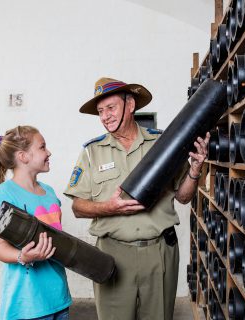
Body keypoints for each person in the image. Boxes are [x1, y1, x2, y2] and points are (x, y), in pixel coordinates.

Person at [64, 77, 209, 320]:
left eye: (111, 108)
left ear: (130, 105)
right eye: (100, 111)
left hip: (159, 252)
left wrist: (195, 170)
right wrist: (109, 208)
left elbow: (184, 198)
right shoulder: (91, 152)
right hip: (113, 254)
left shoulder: (163, 143)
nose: (105, 116)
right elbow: (77, 207)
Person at [0, 125, 72, 320]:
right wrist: (23, 256)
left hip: (59, 298)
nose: (49, 152)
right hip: (27, 304)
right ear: (23, 156)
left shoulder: (49, 192)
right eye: (42, 147)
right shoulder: (3, 196)